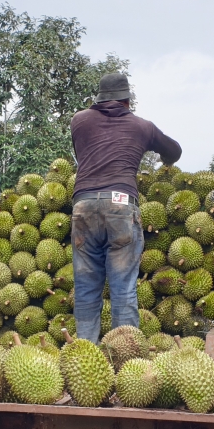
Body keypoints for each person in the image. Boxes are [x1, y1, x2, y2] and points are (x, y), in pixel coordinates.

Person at [69, 72, 182, 342]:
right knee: (123, 287)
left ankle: (85, 352)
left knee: (86, 287)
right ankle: (125, 355)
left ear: (98, 98)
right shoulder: (142, 126)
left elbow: (83, 152)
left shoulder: (79, 120)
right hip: (121, 204)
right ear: (127, 101)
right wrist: (163, 157)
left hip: (83, 204)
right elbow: (174, 151)